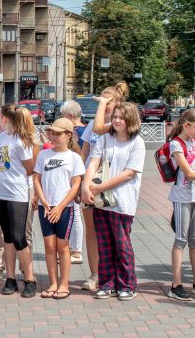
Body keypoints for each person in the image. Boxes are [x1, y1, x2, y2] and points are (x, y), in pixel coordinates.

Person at [82, 102, 145, 301]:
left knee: (122, 244)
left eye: (121, 117)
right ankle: (107, 283)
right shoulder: (104, 139)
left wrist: (101, 186)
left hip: (123, 200)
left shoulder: (137, 142)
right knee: (104, 244)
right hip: (103, 202)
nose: (117, 120)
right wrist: (86, 185)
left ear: (130, 120)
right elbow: (93, 162)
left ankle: (127, 284)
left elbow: (129, 173)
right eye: (115, 116)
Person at [79, 81, 129, 291]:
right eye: (103, 101)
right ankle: (95, 274)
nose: (106, 105)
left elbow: (102, 128)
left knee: (113, 230)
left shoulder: (118, 123)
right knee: (91, 230)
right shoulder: (92, 125)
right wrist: (81, 182)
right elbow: (85, 153)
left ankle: (116, 273)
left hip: (112, 183)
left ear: (118, 103)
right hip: (92, 183)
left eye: (109, 102)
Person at [34, 118, 84, 300]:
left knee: (62, 246)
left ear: (68, 135)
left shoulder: (74, 158)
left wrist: (60, 206)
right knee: (49, 246)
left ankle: (64, 284)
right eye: (51, 133)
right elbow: (37, 180)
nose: (53, 136)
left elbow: (75, 185)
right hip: (45, 207)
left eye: (58, 133)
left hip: (65, 208)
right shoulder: (43, 155)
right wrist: (43, 201)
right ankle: (53, 283)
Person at [0, 104, 37, 298]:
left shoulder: (21, 141)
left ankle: (30, 278)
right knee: (7, 236)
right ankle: (10, 278)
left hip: (17, 193)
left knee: (19, 237)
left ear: (6, 119)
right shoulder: (2, 137)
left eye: (1, 118)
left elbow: (30, 168)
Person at [164, 109, 195, 301]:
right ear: (187, 125)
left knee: (194, 241)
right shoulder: (177, 144)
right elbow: (188, 172)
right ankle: (176, 285)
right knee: (181, 240)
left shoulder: (193, 141)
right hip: (182, 196)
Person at [60, 100, 86, 264]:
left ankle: (76, 250)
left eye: (63, 117)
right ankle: (73, 249)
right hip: (83, 174)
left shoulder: (74, 132)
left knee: (75, 213)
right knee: (76, 213)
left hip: (74, 175)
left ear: (70, 116)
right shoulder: (88, 129)